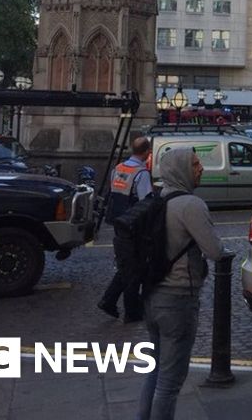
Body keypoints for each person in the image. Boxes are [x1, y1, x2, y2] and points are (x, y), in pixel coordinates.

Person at [137, 148, 224, 420]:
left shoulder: (159, 199)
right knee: (170, 382)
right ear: (181, 169)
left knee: (155, 371)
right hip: (177, 300)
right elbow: (215, 251)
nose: (201, 168)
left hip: (152, 297)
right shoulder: (191, 205)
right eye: (195, 164)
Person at [99, 137, 153, 322]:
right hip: (133, 225)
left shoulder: (118, 169)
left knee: (126, 265)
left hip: (118, 223)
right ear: (147, 152)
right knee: (134, 267)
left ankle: (110, 300)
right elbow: (146, 202)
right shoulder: (141, 173)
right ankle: (131, 311)